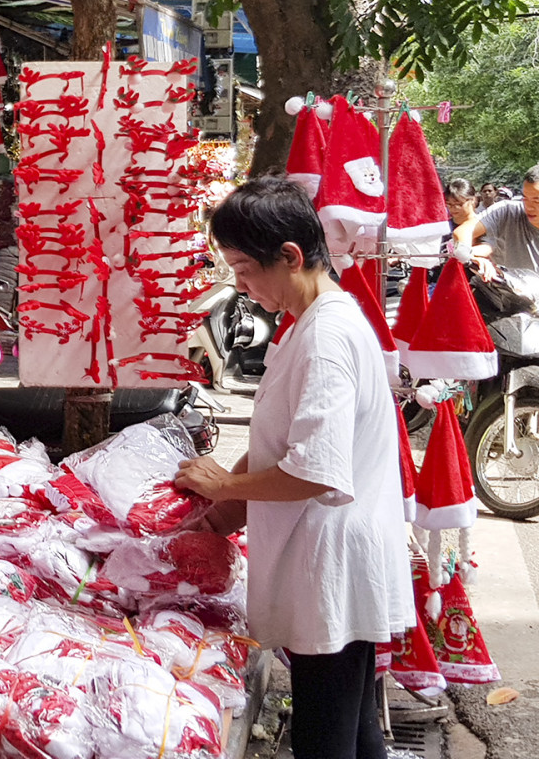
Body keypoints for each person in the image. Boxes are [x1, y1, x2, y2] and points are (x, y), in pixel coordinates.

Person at [175, 176, 414, 759]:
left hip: (331, 561)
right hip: (339, 557)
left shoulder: (326, 336)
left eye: (243, 268)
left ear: (290, 256)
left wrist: (223, 484)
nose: (240, 284)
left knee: (325, 734)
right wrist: (216, 514)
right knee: (352, 726)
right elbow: (279, 445)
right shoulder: (313, 320)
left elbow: (315, 470)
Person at [453, 165, 539, 280]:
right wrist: (469, 256)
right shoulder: (506, 211)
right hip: (501, 293)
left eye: (537, 200)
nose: (529, 206)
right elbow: (463, 231)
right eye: (525, 198)